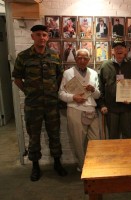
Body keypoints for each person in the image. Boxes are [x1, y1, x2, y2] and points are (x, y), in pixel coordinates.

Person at [12, 25, 67, 181]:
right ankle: (35, 166)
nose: (41, 37)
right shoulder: (23, 56)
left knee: (54, 135)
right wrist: (29, 92)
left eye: (44, 35)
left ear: (48, 37)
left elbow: (59, 77)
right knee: (34, 136)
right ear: (32, 37)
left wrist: (52, 90)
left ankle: (57, 163)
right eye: (38, 35)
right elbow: (17, 79)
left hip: (51, 104)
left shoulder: (54, 56)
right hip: (33, 105)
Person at [59, 49, 100, 171]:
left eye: (85, 58)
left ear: (89, 59)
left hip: (91, 109)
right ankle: (82, 166)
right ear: (76, 59)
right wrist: (73, 97)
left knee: (95, 140)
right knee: (78, 141)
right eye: (80, 58)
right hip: (75, 109)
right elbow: (61, 93)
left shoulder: (93, 73)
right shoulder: (67, 73)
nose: (82, 60)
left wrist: (93, 90)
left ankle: (94, 163)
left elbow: (98, 95)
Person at [99, 37, 131, 139]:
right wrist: (102, 105)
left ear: (126, 50)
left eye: (121, 47)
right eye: (116, 47)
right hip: (111, 109)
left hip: (127, 109)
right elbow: (100, 87)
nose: (119, 49)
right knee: (112, 137)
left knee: (128, 137)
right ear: (112, 51)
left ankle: (127, 155)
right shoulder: (105, 66)